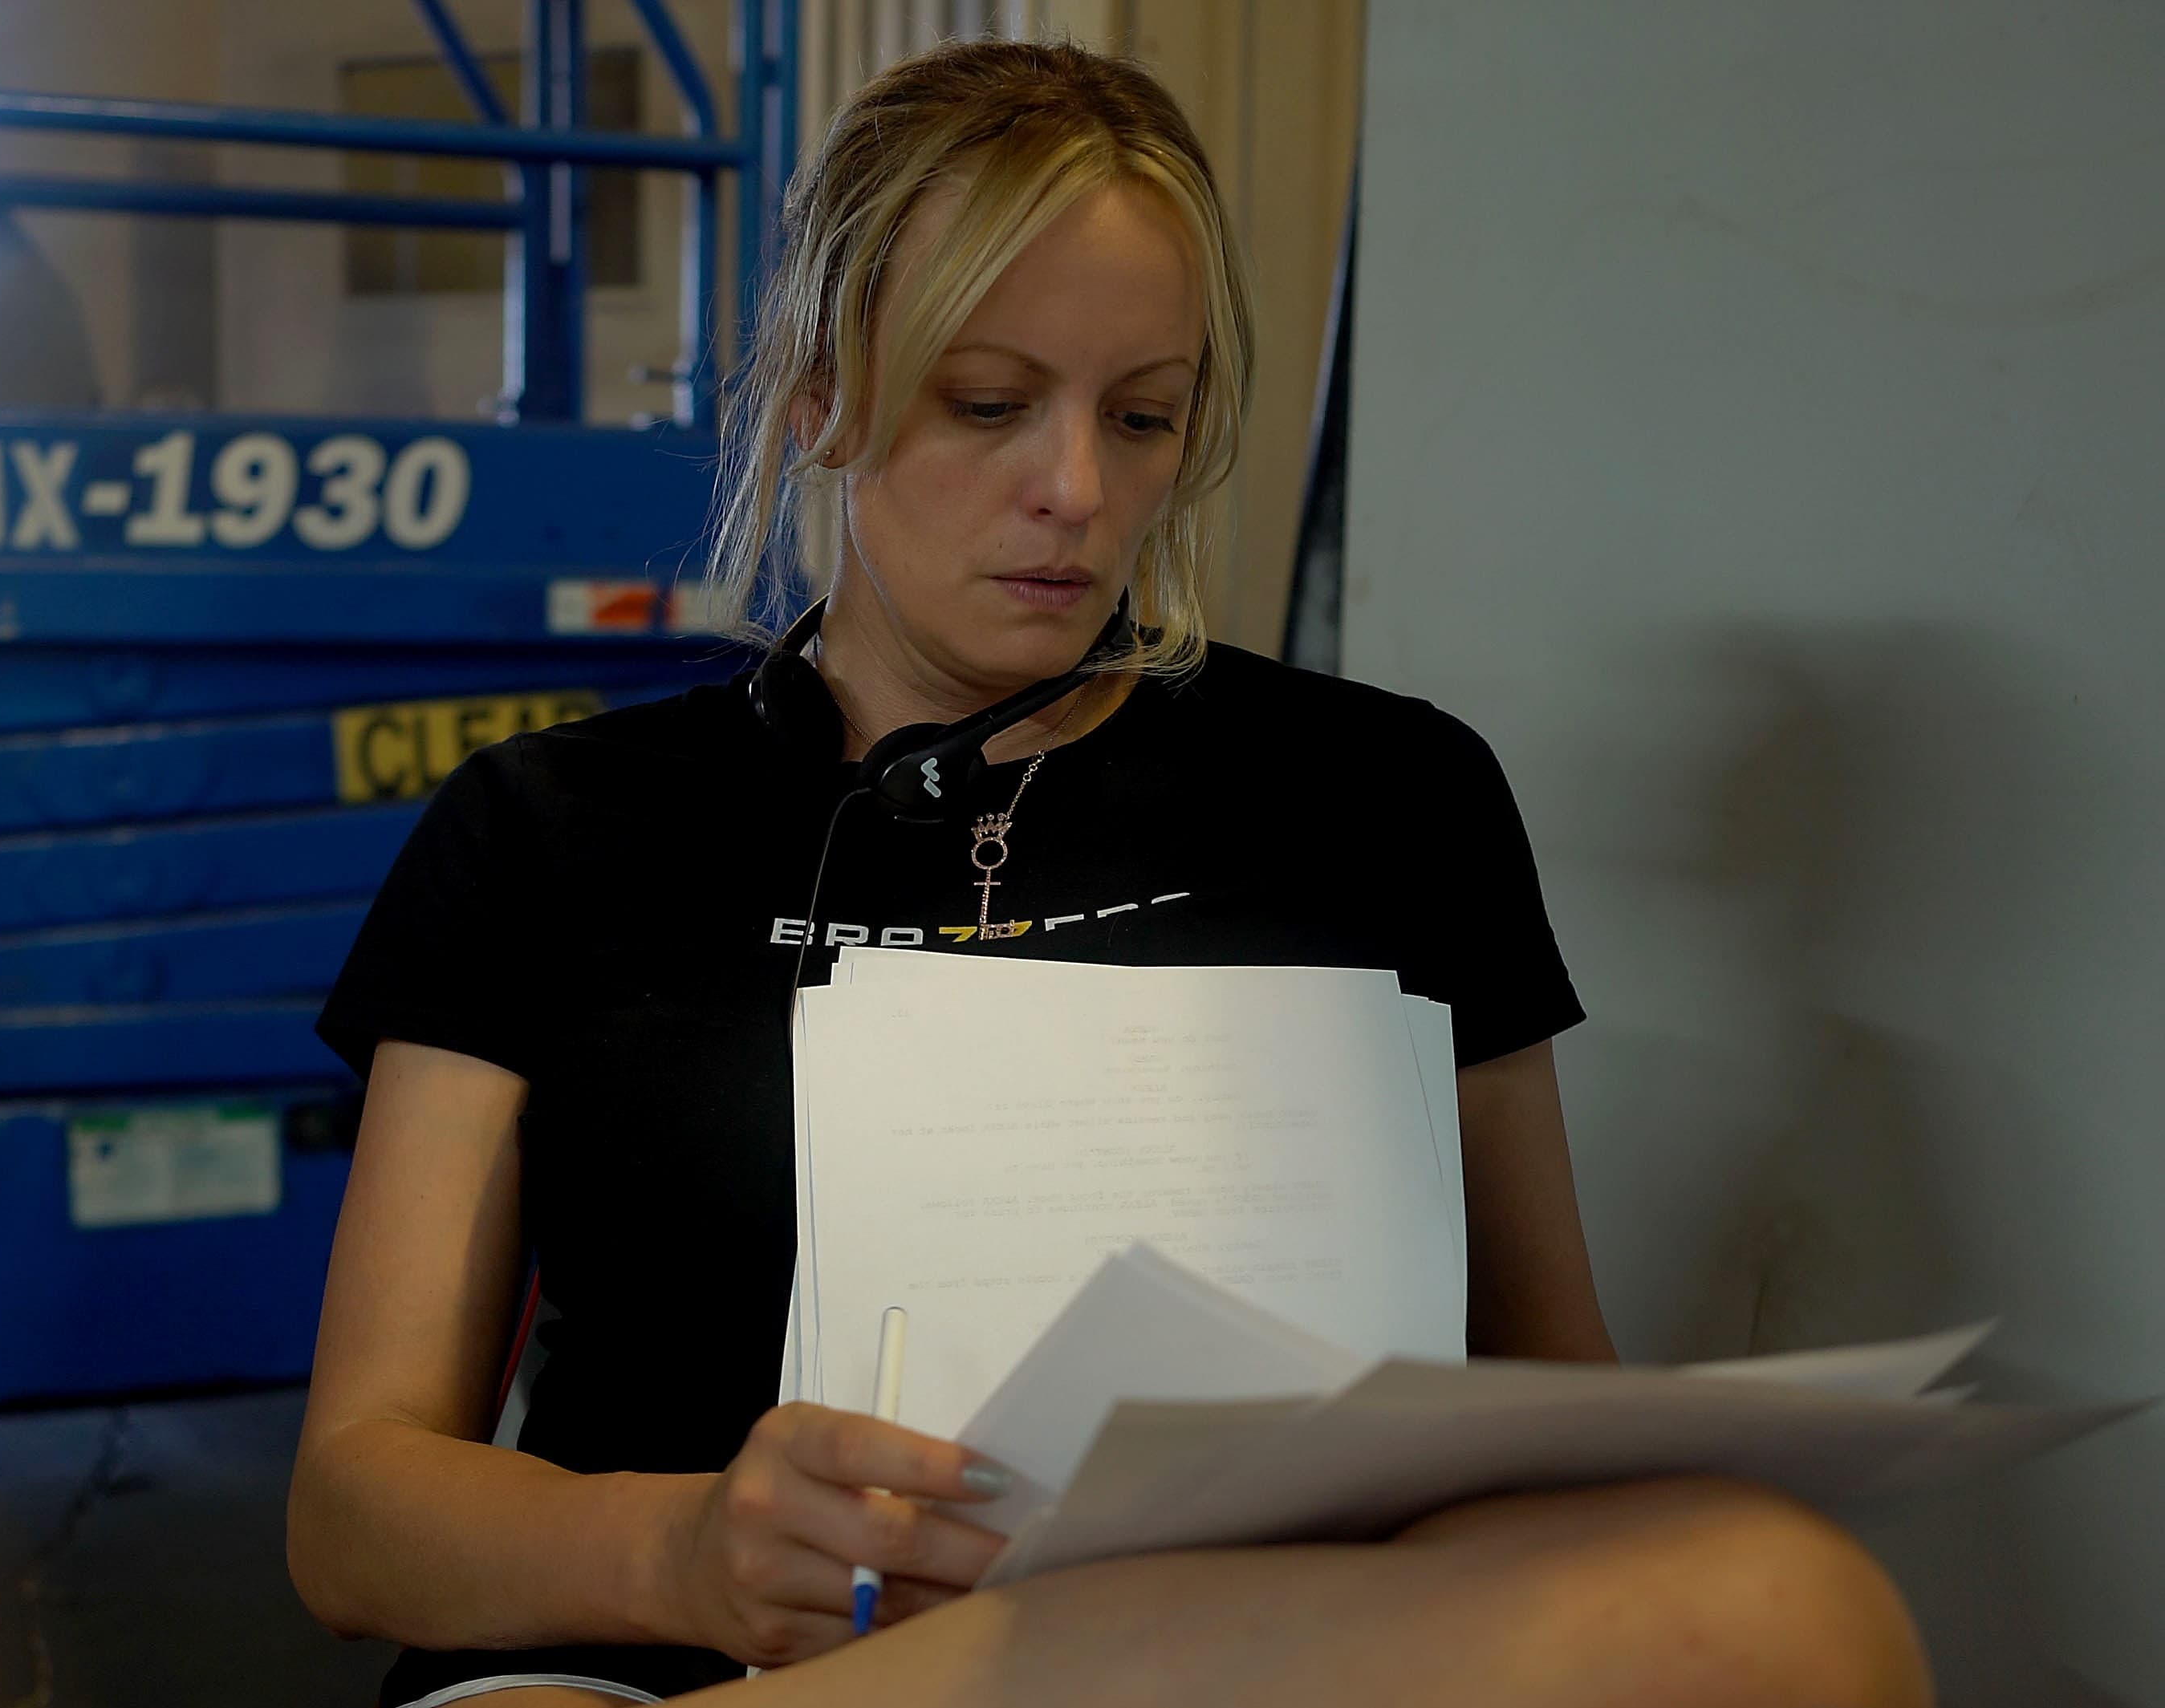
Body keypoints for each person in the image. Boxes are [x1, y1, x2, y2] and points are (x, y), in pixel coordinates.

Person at [290, 37, 1931, 1708]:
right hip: (660, 1668)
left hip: (1230, 1654)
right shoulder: (552, 828)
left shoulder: (1387, 797)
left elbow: (1540, 1395)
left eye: (1142, 417)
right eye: (987, 404)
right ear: (819, 395)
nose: (1076, 491)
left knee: (1782, 1602)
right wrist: (686, 1548)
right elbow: (351, 1519)